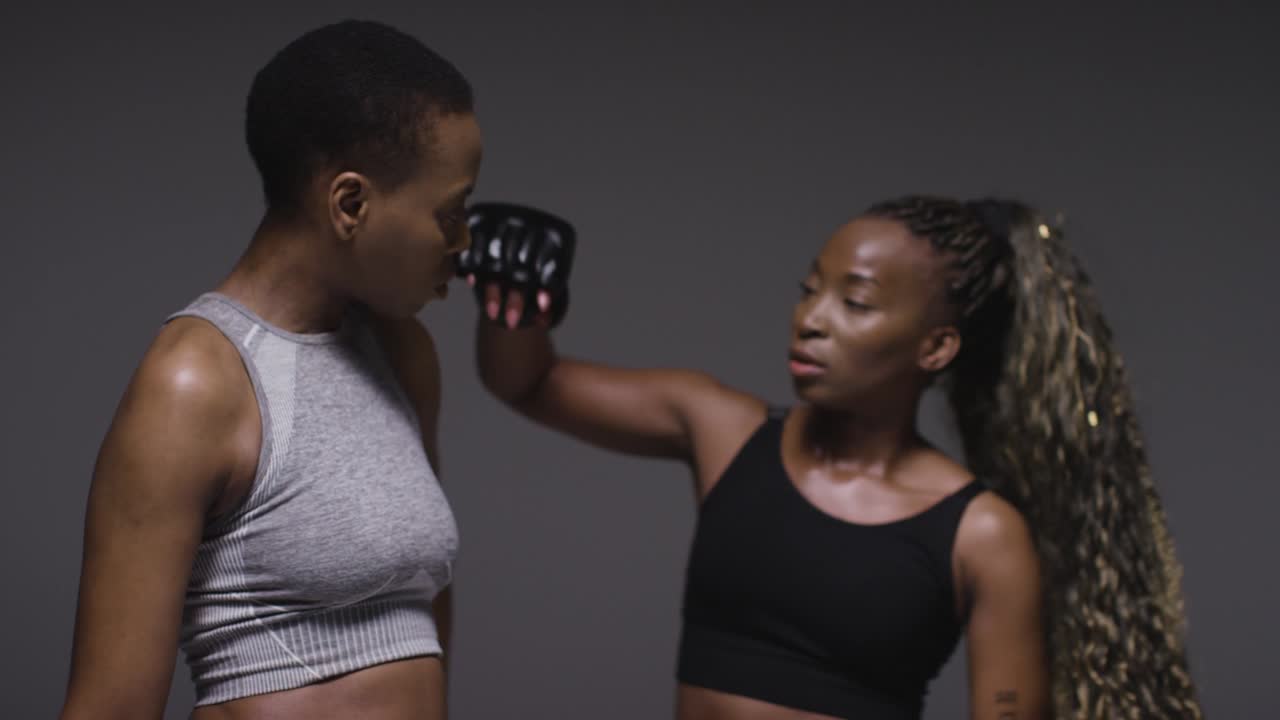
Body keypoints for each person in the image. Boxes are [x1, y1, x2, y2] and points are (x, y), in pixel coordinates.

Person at [465, 196, 1203, 719]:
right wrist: (513, 306)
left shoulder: (981, 535)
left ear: (936, 347)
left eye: (855, 302)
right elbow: (527, 382)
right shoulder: (724, 430)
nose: (810, 319)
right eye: (809, 290)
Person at [59, 20, 480, 720]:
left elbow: (423, 618)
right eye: (452, 213)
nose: (464, 243)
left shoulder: (403, 353)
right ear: (350, 204)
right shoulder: (195, 385)